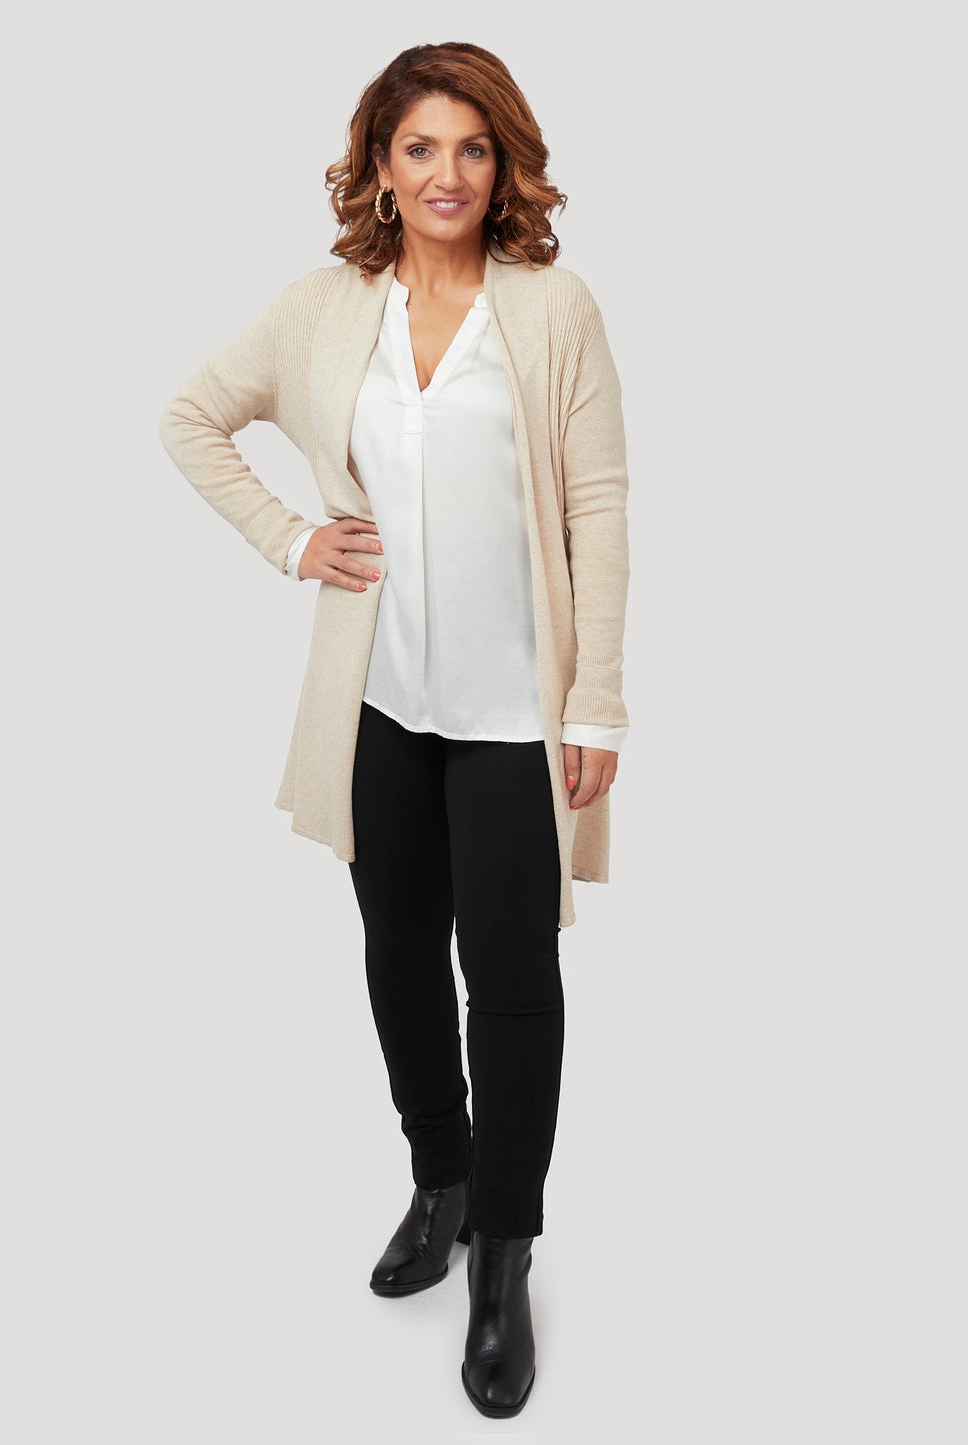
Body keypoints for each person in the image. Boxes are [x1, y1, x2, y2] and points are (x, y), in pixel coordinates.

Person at [157, 41, 631, 1420]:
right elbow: (192, 418)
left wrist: (596, 697)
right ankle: (440, 1177)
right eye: (420, 147)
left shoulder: (552, 309)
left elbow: (596, 505)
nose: (446, 174)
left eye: (472, 149)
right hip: (378, 706)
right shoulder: (324, 309)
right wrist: (292, 538)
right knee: (398, 957)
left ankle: (504, 1253)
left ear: (504, 166)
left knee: (513, 979)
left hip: (512, 716)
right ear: (379, 164)